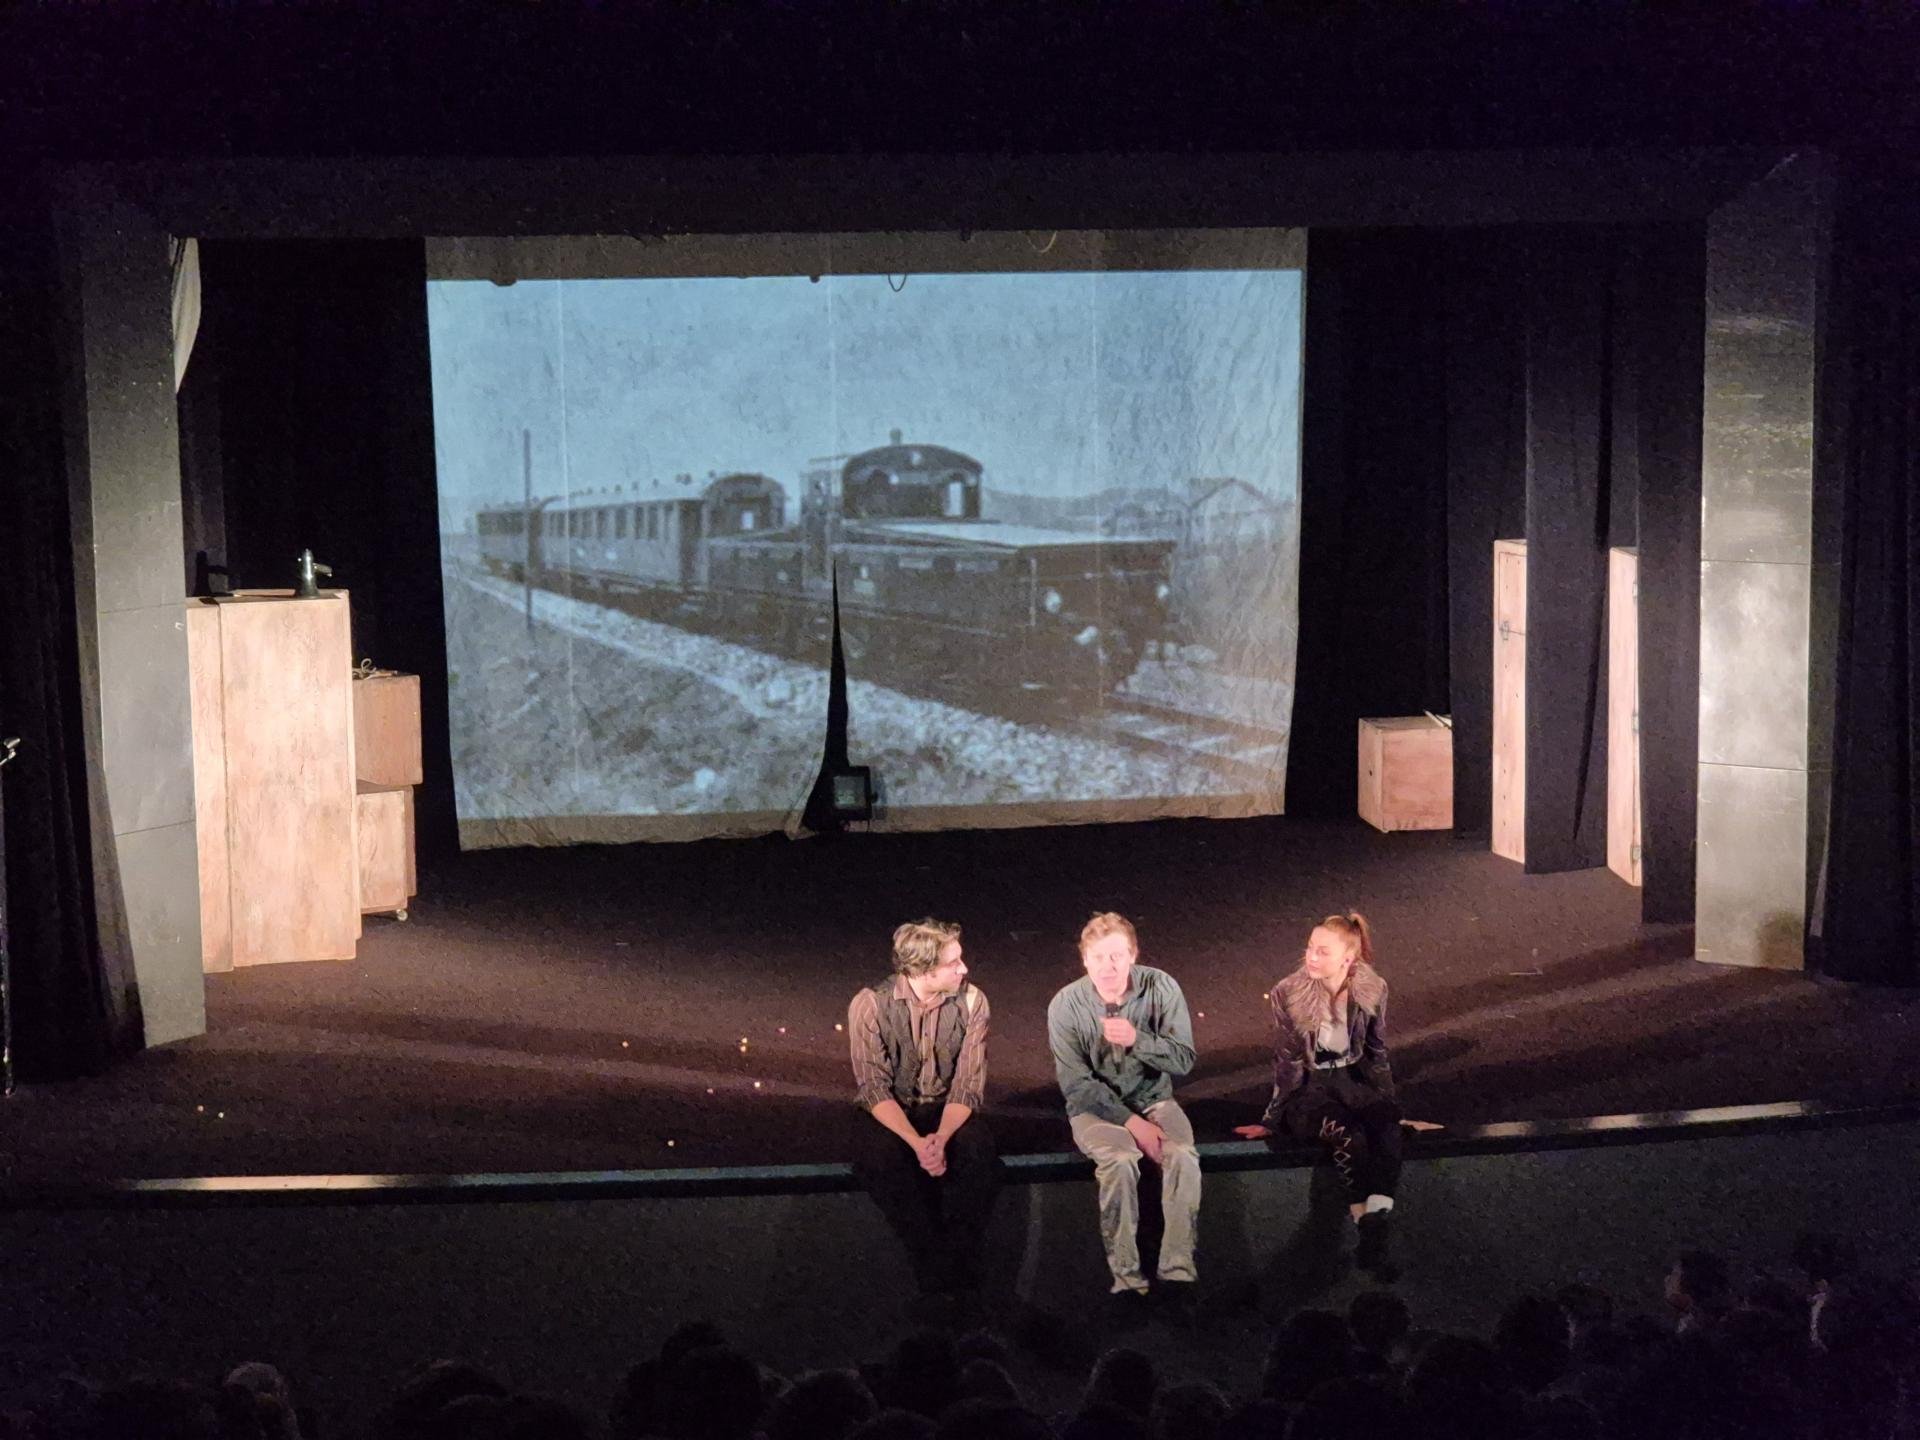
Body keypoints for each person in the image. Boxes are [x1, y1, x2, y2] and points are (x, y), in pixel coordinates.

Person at [1234, 911, 1403, 1279]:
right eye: (1310, 948)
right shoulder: (1288, 992)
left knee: (1387, 1124)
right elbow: (1288, 1062)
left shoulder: (1373, 988)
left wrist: (1389, 1103)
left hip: (1351, 1079)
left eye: (1322, 951)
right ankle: (1366, 1227)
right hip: (1310, 1086)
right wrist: (1272, 1120)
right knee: (1347, 1133)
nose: (1311, 957)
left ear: (1348, 958)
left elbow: (1376, 1052)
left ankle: (1377, 1215)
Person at [1049, 912, 1201, 1302]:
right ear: (1085, 960)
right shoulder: (1066, 1005)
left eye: (1117, 956)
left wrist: (1138, 1040)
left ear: (1133, 955)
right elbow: (1076, 1085)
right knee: (1119, 1161)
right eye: (1098, 957)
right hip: (1097, 1110)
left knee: (1182, 1156)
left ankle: (1177, 1272)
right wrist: (1133, 1124)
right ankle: (1127, 1278)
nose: (1108, 967)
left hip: (1154, 1099)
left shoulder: (1161, 987)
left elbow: (1183, 1059)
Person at [848, 919, 999, 1308]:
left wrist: (941, 1139)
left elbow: (967, 1085)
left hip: (946, 1108)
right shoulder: (870, 1004)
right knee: (880, 1159)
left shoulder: (973, 1001)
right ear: (924, 971)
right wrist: (917, 1144)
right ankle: (931, 1271)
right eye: (953, 963)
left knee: (978, 1151)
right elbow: (873, 1088)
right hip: (894, 1111)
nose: (964, 968)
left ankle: (963, 1268)